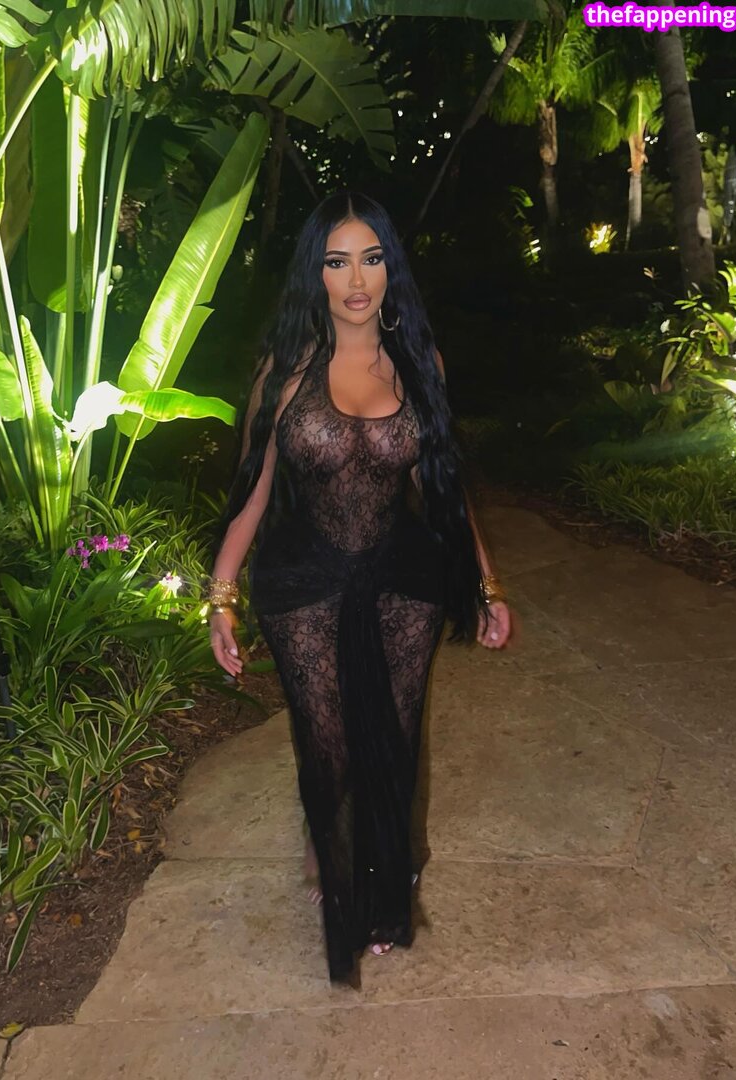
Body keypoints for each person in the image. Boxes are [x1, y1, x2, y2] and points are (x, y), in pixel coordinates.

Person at [207, 191, 511, 988]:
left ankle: (377, 892)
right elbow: (253, 495)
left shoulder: (420, 364)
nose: (356, 280)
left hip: (404, 579)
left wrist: (487, 585)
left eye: (371, 258)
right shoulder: (285, 375)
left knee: (394, 739)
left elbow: (445, 490)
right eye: (336, 260)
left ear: (389, 268)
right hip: (305, 583)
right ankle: (329, 852)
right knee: (330, 743)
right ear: (315, 272)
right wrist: (221, 597)